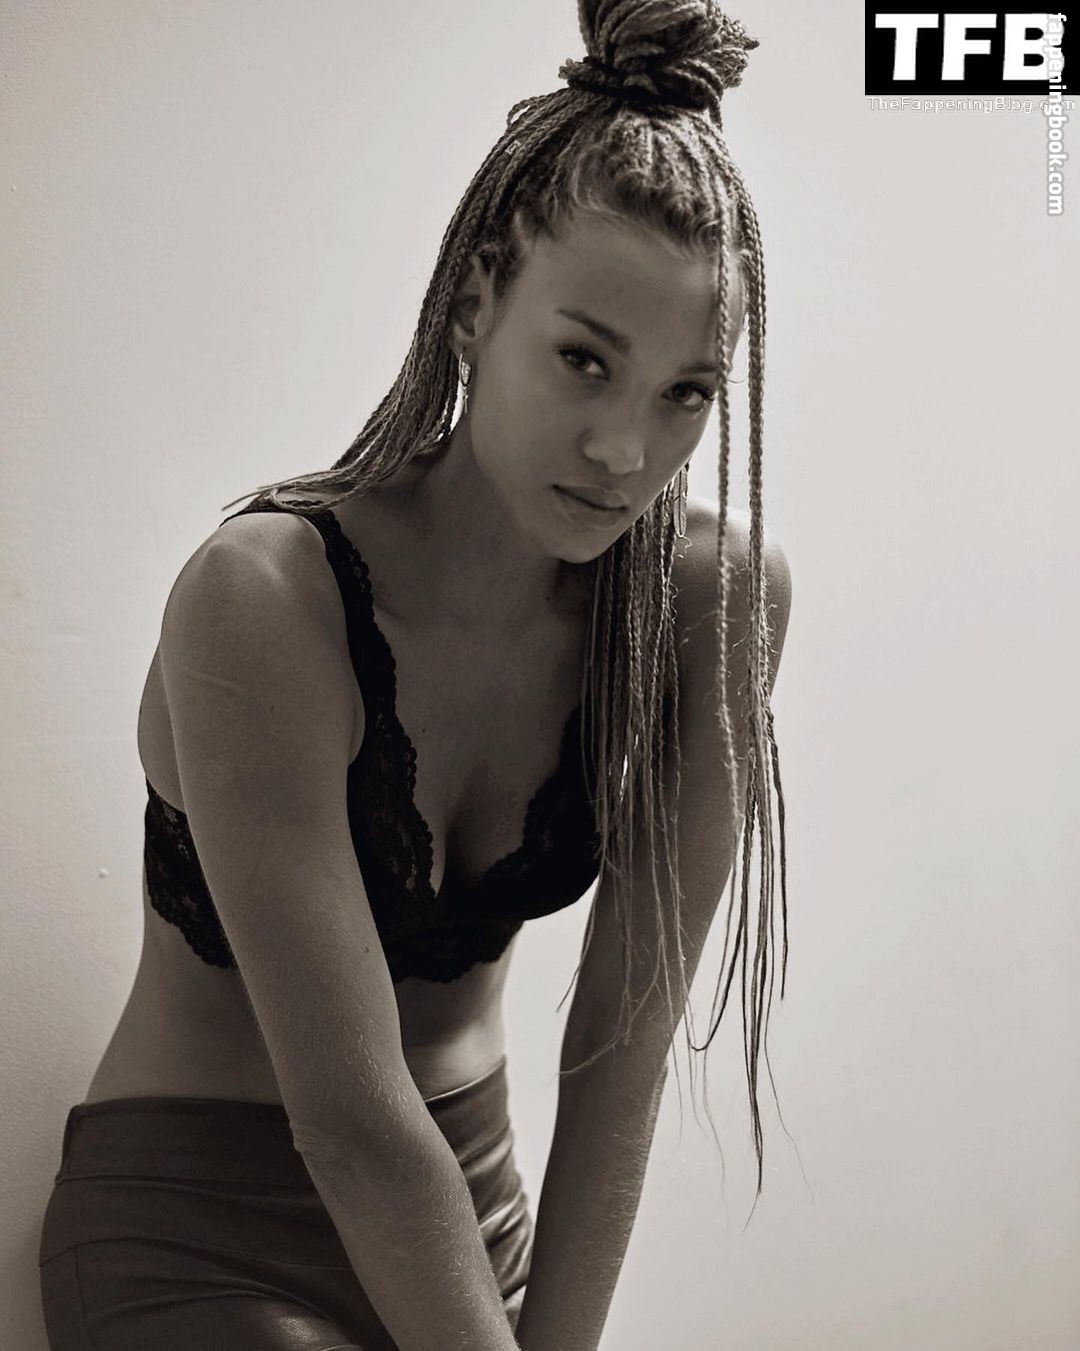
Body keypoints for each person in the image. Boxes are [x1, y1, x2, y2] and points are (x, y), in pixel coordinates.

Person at [37, 2, 792, 1348]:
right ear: (477, 300)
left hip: (474, 1217)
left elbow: (620, 1055)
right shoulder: (267, 601)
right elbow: (352, 1122)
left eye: (685, 393)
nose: (624, 451)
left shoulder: (711, 601)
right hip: (201, 1230)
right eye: (584, 361)